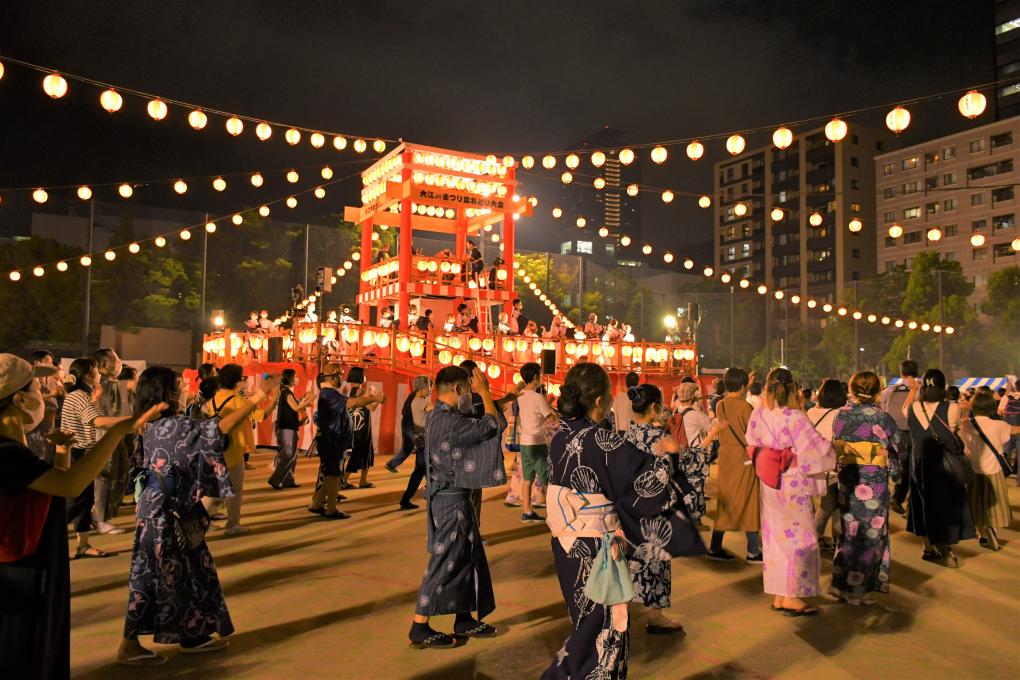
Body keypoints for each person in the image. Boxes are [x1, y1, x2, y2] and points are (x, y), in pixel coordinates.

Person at [0, 353, 162, 678]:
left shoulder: (17, 451)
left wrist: (61, 451)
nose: (44, 392)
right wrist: (116, 434)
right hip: (21, 573)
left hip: (33, 567)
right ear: (19, 399)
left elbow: (52, 491)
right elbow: (72, 484)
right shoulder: (6, 453)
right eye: (36, 387)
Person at [542, 363, 704, 679]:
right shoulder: (601, 441)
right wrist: (669, 457)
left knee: (587, 624)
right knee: (604, 632)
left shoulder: (562, 435)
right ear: (600, 402)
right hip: (595, 547)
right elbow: (645, 482)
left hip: (566, 544)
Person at [116, 368, 280, 665]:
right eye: (179, 386)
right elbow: (220, 428)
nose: (185, 390)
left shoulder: (150, 425)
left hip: (158, 508)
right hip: (167, 513)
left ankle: (192, 635)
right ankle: (128, 644)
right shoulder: (173, 426)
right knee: (155, 576)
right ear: (167, 392)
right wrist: (257, 396)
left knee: (190, 571)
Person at [408, 365, 505, 648]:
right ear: (460, 390)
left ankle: (464, 618)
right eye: (469, 390)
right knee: (444, 559)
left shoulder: (440, 416)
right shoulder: (449, 422)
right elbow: (492, 424)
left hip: (452, 497)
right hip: (451, 500)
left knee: (466, 557)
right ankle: (419, 625)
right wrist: (485, 392)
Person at [624, 383, 713, 635]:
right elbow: (667, 474)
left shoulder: (628, 434)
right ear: (653, 408)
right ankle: (655, 615)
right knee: (655, 562)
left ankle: (623, 610)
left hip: (630, 508)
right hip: (655, 509)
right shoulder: (659, 438)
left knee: (631, 560)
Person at [746, 367, 835, 616]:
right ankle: (793, 596)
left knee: (775, 539)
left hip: (770, 481)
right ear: (793, 388)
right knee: (800, 539)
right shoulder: (795, 417)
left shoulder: (759, 415)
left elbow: (751, 443)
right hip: (792, 482)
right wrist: (833, 448)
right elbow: (816, 450)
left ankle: (780, 595)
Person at [829, 372, 901, 606]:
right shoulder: (882, 418)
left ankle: (841, 586)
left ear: (851, 389)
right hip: (873, 481)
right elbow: (898, 447)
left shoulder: (842, 415)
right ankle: (860, 590)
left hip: (849, 479)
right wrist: (891, 465)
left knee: (849, 531)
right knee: (871, 534)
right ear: (878, 391)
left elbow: (837, 442)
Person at [61, 357, 135, 557]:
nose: (99, 374)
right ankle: (43, 538)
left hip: (80, 453)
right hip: (78, 454)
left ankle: (83, 545)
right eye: (95, 371)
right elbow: (98, 421)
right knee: (75, 502)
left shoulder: (80, 395)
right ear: (86, 375)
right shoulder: (79, 396)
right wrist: (132, 420)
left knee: (84, 502)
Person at [903, 369, 976, 566]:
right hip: (943, 463)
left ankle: (927, 547)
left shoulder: (912, 407)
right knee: (945, 502)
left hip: (919, 462)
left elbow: (905, 410)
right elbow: (954, 431)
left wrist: (914, 389)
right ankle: (943, 542)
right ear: (943, 386)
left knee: (921, 503)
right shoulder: (952, 408)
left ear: (924, 386)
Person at [708, 367, 761, 561]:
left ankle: (715, 546)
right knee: (749, 501)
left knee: (726, 501)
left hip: (726, 458)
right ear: (743, 386)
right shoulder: (746, 408)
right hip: (744, 459)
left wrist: (745, 382)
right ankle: (753, 550)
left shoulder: (720, 404)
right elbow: (755, 435)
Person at [203, 364, 259, 536]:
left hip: (215, 447)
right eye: (242, 379)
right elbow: (260, 415)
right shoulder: (238, 401)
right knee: (235, 489)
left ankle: (198, 522)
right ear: (237, 381)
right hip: (233, 448)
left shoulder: (214, 399)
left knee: (211, 489)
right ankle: (232, 524)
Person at [961, 389, 1017, 551]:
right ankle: (991, 529)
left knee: (976, 504)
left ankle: (984, 534)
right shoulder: (1000, 425)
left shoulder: (966, 424)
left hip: (974, 471)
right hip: (994, 471)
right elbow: (1013, 431)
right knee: (994, 504)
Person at [90, 348, 130, 536]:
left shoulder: (111, 384)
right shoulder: (103, 385)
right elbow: (113, 413)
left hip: (113, 435)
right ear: (103, 365)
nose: (119, 361)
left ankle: (99, 516)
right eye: (115, 359)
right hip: (104, 436)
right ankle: (101, 519)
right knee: (104, 479)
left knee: (111, 477)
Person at [807, 378, 847, 552]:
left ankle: (827, 540)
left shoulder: (811, 412)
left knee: (833, 505)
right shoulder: (841, 415)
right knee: (829, 507)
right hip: (833, 466)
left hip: (814, 465)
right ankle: (818, 539)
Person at [515, 362, 557, 523]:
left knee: (528, 479)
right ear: (534, 377)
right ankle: (553, 513)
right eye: (539, 375)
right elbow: (550, 418)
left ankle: (527, 511)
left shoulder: (520, 396)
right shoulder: (538, 397)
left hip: (525, 442)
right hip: (538, 442)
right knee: (547, 479)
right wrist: (551, 410)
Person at [881, 360, 919, 514]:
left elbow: (884, 410)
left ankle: (897, 496)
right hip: (914, 433)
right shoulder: (920, 390)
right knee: (913, 468)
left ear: (901, 372)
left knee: (899, 467)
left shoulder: (889, 391)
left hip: (894, 433)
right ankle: (909, 501)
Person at [267, 369, 315, 489]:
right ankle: (275, 479)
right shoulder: (286, 392)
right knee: (288, 454)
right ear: (290, 378)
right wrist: (307, 400)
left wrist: (304, 400)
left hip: (289, 427)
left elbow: (294, 405)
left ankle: (289, 480)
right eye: (296, 376)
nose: (297, 378)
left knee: (292, 455)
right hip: (286, 427)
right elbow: (295, 407)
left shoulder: (286, 392)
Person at [392, 376, 432, 510]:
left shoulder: (417, 400)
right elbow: (435, 407)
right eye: (428, 387)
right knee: (428, 471)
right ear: (421, 388)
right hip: (424, 440)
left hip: (422, 439)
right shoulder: (419, 401)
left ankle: (406, 499)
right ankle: (433, 498)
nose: (430, 390)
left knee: (421, 471)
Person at [342, 367, 383, 490]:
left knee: (366, 453)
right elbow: (371, 408)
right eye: (364, 375)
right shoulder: (360, 392)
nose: (365, 377)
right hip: (361, 428)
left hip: (356, 427)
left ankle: (362, 480)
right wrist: (377, 399)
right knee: (359, 454)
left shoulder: (351, 391)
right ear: (360, 377)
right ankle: (344, 479)